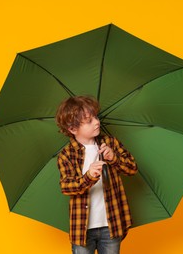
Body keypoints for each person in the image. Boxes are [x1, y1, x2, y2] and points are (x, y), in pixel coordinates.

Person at [55, 95, 138, 254]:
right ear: (73, 129)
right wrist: (89, 176)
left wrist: (114, 158)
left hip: (110, 224)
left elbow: (132, 168)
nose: (97, 122)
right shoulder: (66, 155)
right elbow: (66, 187)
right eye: (89, 121)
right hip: (82, 228)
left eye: (95, 116)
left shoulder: (110, 143)